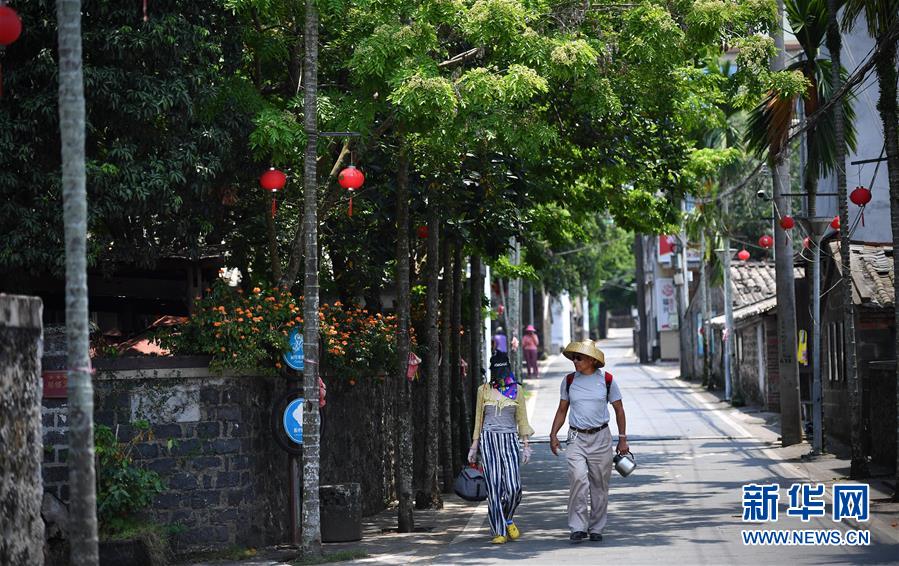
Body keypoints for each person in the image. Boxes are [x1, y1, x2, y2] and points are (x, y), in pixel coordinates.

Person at [549, 340, 628, 543]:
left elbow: (619, 409)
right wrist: (553, 434)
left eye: (579, 357)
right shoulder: (569, 381)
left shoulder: (607, 380)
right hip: (576, 437)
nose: (575, 361)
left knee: (599, 485)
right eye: (573, 357)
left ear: (592, 360)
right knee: (578, 479)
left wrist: (622, 439)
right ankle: (577, 527)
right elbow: (562, 410)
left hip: (601, 437)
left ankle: (596, 528)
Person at [468, 351, 534, 544]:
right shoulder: (484, 390)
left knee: (514, 488)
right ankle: (498, 531)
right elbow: (478, 419)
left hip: (509, 440)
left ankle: (508, 518)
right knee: (494, 487)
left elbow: (522, 419)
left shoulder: (517, 390)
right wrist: (474, 445)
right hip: (489, 441)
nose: (499, 374)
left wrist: (526, 445)